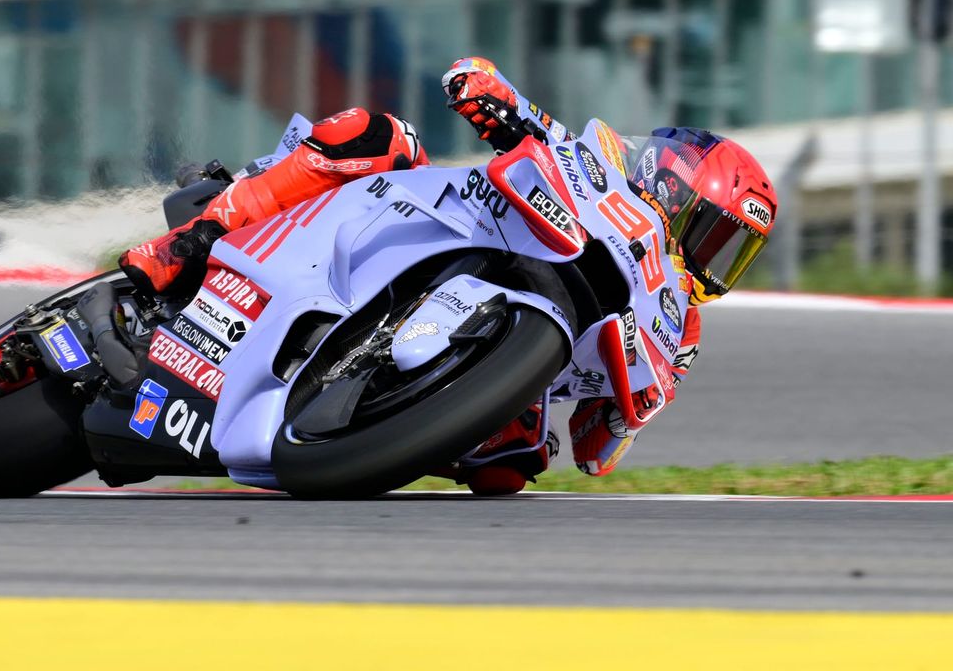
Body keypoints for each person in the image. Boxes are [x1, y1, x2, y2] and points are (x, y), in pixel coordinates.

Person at [120, 57, 777, 495]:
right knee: (380, 135)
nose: (716, 261)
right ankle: (193, 238)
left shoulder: (679, 327)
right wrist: (490, 95)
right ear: (671, 186)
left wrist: (617, 419)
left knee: (513, 468)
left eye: (734, 254)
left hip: (516, 343)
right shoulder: (593, 164)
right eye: (716, 235)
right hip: (431, 220)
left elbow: (595, 450)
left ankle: (375, 417)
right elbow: (478, 82)